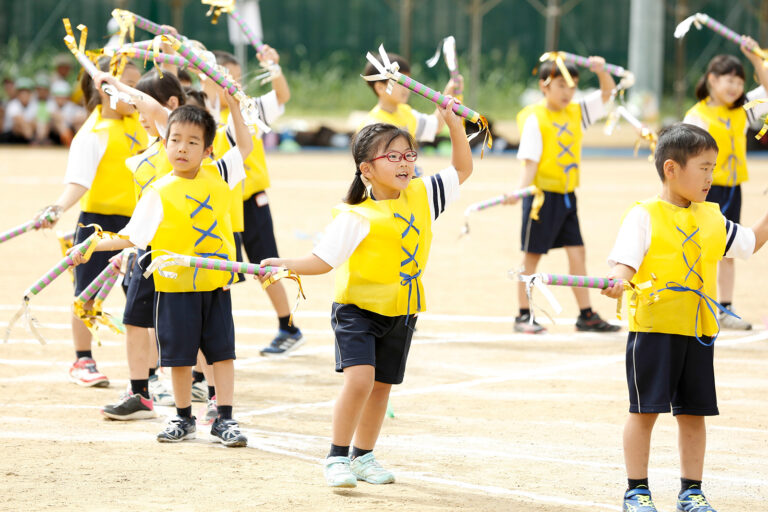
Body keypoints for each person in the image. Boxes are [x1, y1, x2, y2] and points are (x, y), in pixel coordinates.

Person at [260, 97, 472, 487]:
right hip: (357, 311)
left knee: (381, 388)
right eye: (392, 157)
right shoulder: (356, 215)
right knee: (359, 381)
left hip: (403, 311)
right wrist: (283, 263)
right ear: (366, 169)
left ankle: (364, 456)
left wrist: (453, 124)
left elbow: (462, 167)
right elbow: (322, 261)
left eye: (409, 154)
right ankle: (336, 457)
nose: (405, 162)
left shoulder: (423, 196)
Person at [601, 123, 768, 512]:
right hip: (655, 331)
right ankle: (636, 491)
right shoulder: (644, 215)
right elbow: (624, 265)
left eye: (713, 168)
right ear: (672, 169)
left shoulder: (712, 218)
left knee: (694, 415)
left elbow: (751, 242)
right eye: (704, 168)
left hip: (698, 333)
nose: (711, 177)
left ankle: (691, 491)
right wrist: (616, 282)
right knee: (645, 412)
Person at [71, 95, 253, 447]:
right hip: (174, 289)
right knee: (179, 358)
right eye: (175, 140)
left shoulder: (220, 175)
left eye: (192, 142)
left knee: (223, 354)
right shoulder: (158, 191)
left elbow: (245, 145)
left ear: (208, 149)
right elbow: (130, 237)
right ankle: (183, 417)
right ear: (164, 142)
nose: (182, 148)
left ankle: (224, 418)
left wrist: (233, 108)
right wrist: (90, 245)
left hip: (215, 287)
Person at [40, 59, 147, 387]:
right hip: (97, 225)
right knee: (86, 294)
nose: (136, 93)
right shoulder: (92, 133)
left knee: (142, 294)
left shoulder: (141, 122)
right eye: (128, 85)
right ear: (105, 89)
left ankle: (152, 370)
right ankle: (82, 360)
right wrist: (57, 208)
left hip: (138, 222)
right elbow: (79, 182)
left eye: (137, 85)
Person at [92, 69, 186, 420]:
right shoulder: (152, 142)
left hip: (176, 247)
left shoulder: (173, 135)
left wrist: (119, 86)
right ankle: (139, 392)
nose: (140, 116)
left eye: (143, 109)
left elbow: (156, 108)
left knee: (191, 323)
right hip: (146, 246)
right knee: (135, 318)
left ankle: (212, 397)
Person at [506, 56, 619, 334]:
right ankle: (523, 315)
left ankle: (586, 315)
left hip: (567, 197)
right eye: (561, 86)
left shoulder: (577, 112)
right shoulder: (535, 117)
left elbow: (608, 93)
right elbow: (530, 161)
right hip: (541, 199)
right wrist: (520, 191)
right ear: (544, 87)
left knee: (577, 252)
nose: (568, 93)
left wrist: (601, 70)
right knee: (532, 257)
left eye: (573, 86)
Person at [209, 48, 301, 356]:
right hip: (219, 206)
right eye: (226, 78)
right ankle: (212, 336)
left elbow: (282, 94)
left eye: (237, 78)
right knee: (221, 272)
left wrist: (272, 65)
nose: (234, 84)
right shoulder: (200, 113)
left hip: (250, 200)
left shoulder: (249, 108)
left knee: (266, 265)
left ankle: (288, 327)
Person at [682, 36, 768, 330]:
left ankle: (725, 308)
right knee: (698, 249)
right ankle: (695, 303)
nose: (735, 87)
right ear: (711, 81)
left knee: (727, 249)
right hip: (704, 190)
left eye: (739, 82)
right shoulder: (697, 116)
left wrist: (755, 57)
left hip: (732, 190)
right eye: (728, 80)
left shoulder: (741, 111)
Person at [358, 52, 460, 146]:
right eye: (400, 81)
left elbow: (436, 127)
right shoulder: (372, 125)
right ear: (380, 87)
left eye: (408, 81)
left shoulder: (406, 112)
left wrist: (449, 92)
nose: (407, 87)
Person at [1, 77, 36, 143]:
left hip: (27, 135)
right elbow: (19, 121)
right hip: (10, 136)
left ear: (30, 94)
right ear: (18, 94)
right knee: (18, 125)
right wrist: (31, 137)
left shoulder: (34, 105)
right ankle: (33, 141)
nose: (24, 95)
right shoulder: (13, 104)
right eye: (22, 92)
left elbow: (35, 122)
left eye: (26, 92)